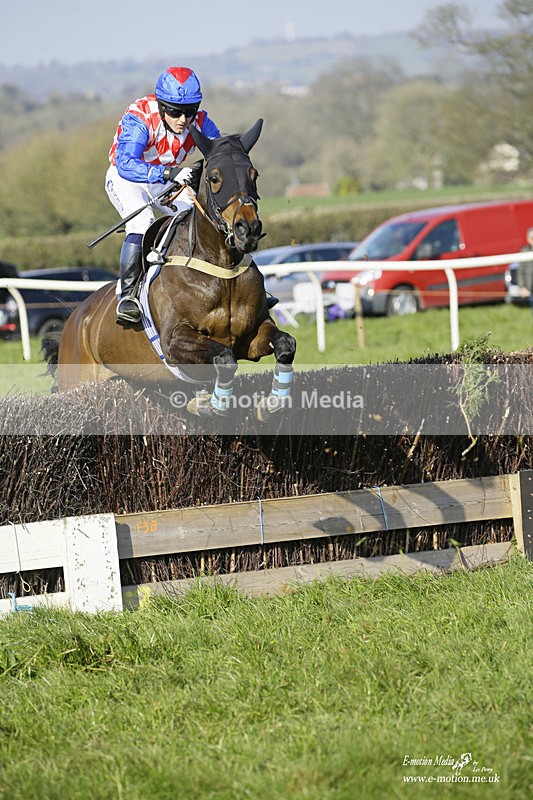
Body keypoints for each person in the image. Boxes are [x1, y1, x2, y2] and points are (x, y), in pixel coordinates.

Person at [106, 66, 221, 325]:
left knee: (196, 215)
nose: (183, 119)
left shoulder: (201, 122)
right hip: (127, 178)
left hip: (165, 179)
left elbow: (220, 151)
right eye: (174, 111)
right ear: (161, 105)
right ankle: (128, 296)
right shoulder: (140, 117)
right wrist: (169, 174)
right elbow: (126, 162)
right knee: (142, 222)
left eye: (190, 111)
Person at [518, 226, 533, 317]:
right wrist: (522, 287)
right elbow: (520, 272)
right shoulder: (524, 252)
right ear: (528, 240)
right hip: (531, 289)